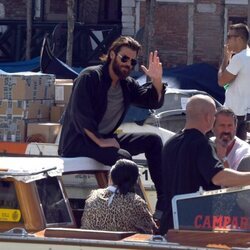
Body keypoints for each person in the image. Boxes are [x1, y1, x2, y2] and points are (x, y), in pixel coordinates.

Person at [58, 36, 165, 219]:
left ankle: (163, 203)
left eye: (133, 61)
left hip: (105, 138)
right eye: (124, 58)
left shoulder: (127, 85)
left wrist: (157, 80)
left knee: (153, 140)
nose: (128, 64)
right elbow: (81, 116)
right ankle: (133, 212)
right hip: (78, 142)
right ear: (112, 55)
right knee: (123, 157)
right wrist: (101, 141)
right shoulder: (90, 77)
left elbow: (152, 101)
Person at [159, 94, 250, 235]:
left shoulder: (169, 144)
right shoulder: (202, 144)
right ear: (208, 117)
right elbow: (218, 177)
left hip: (168, 226)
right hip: (195, 227)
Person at [81, 159, 157, 233]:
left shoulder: (94, 195)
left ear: (111, 176)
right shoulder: (136, 202)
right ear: (134, 180)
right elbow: (150, 229)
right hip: (123, 244)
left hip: (91, 243)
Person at [218, 23, 250, 141]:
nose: (227, 41)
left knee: (228, 150)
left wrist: (226, 58)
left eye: (229, 37)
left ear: (239, 39)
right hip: (245, 113)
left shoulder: (239, 58)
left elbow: (221, 81)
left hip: (233, 114)